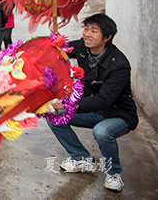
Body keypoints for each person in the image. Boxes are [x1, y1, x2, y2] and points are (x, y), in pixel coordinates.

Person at [46, 14, 137, 193]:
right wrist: (56, 43)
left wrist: (69, 104)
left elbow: (104, 100)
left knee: (102, 132)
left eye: (94, 31)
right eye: (86, 28)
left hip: (118, 114)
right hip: (93, 110)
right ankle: (82, 159)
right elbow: (63, 49)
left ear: (107, 37)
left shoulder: (119, 64)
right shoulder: (83, 47)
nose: (87, 34)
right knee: (54, 117)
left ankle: (113, 173)